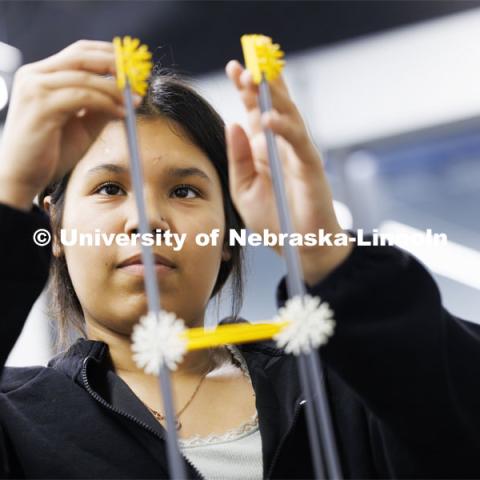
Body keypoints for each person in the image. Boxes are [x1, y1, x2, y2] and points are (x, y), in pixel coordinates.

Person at [0, 39, 478, 480]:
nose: (146, 220)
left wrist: (323, 251)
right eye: (109, 189)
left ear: (228, 233)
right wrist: (8, 192)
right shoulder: (17, 419)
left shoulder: (348, 384)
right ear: (56, 229)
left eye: (184, 190)